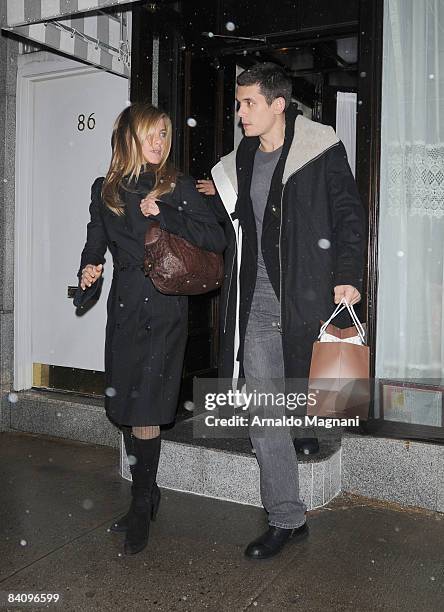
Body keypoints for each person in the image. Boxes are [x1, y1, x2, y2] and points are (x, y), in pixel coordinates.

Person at [210, 63, 366, 559]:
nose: (240, 114)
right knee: (263, 409)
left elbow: (348, 215)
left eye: (248, 103)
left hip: (306, 293)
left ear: (279, 104)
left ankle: (305, 430)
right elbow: (242, 221)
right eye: (238, 104)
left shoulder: (320, 149)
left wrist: (349, 275)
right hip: (256, 300)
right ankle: (285, 515)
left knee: (305, 386)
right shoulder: (241, 159)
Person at [74, 103, 226, 555]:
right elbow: (94, 243)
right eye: (151, 134)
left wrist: (166, 213)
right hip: (123, 312)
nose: (159, 143)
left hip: (163, 311)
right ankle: (149, 490)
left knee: (145, 409)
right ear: (128, 138)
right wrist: (87, 270)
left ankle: (141, 504)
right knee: (122, 405)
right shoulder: (106, 191)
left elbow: (216, 238)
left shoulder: (174, 185)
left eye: (164, 134)